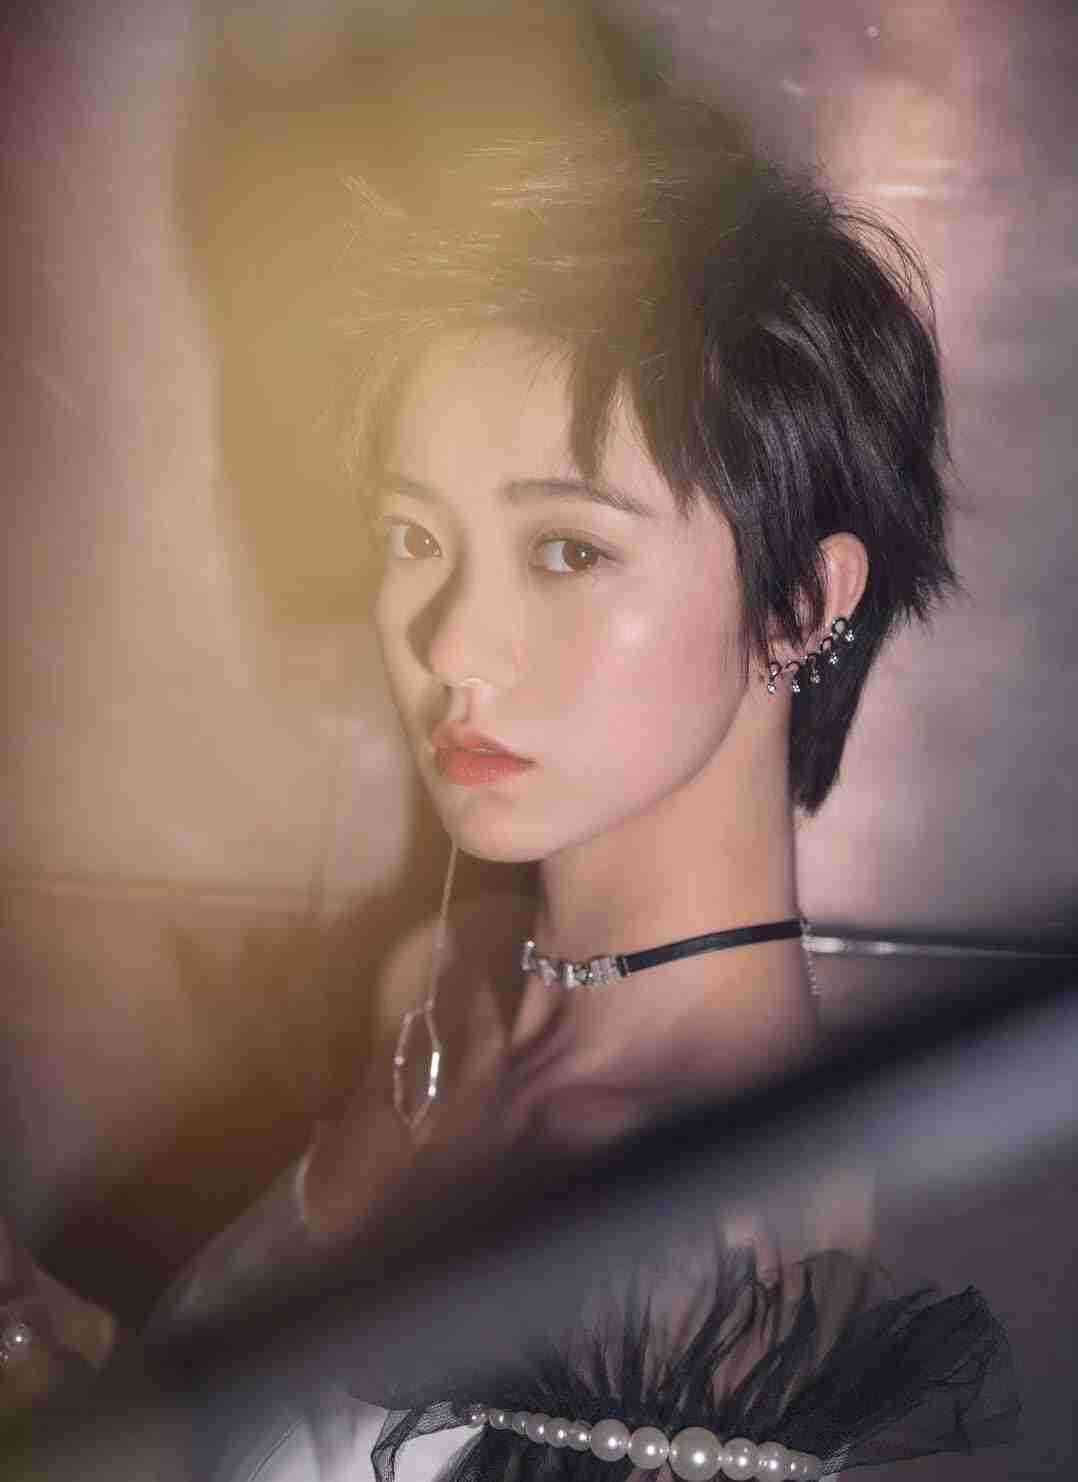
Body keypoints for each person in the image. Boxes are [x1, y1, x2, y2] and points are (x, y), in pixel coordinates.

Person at [2, 94, 1016, 1482]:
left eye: (567, 551)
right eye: (414, 535)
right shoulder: (450, 985)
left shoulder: (709, 1235)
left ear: (797, 602)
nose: (449, 647)